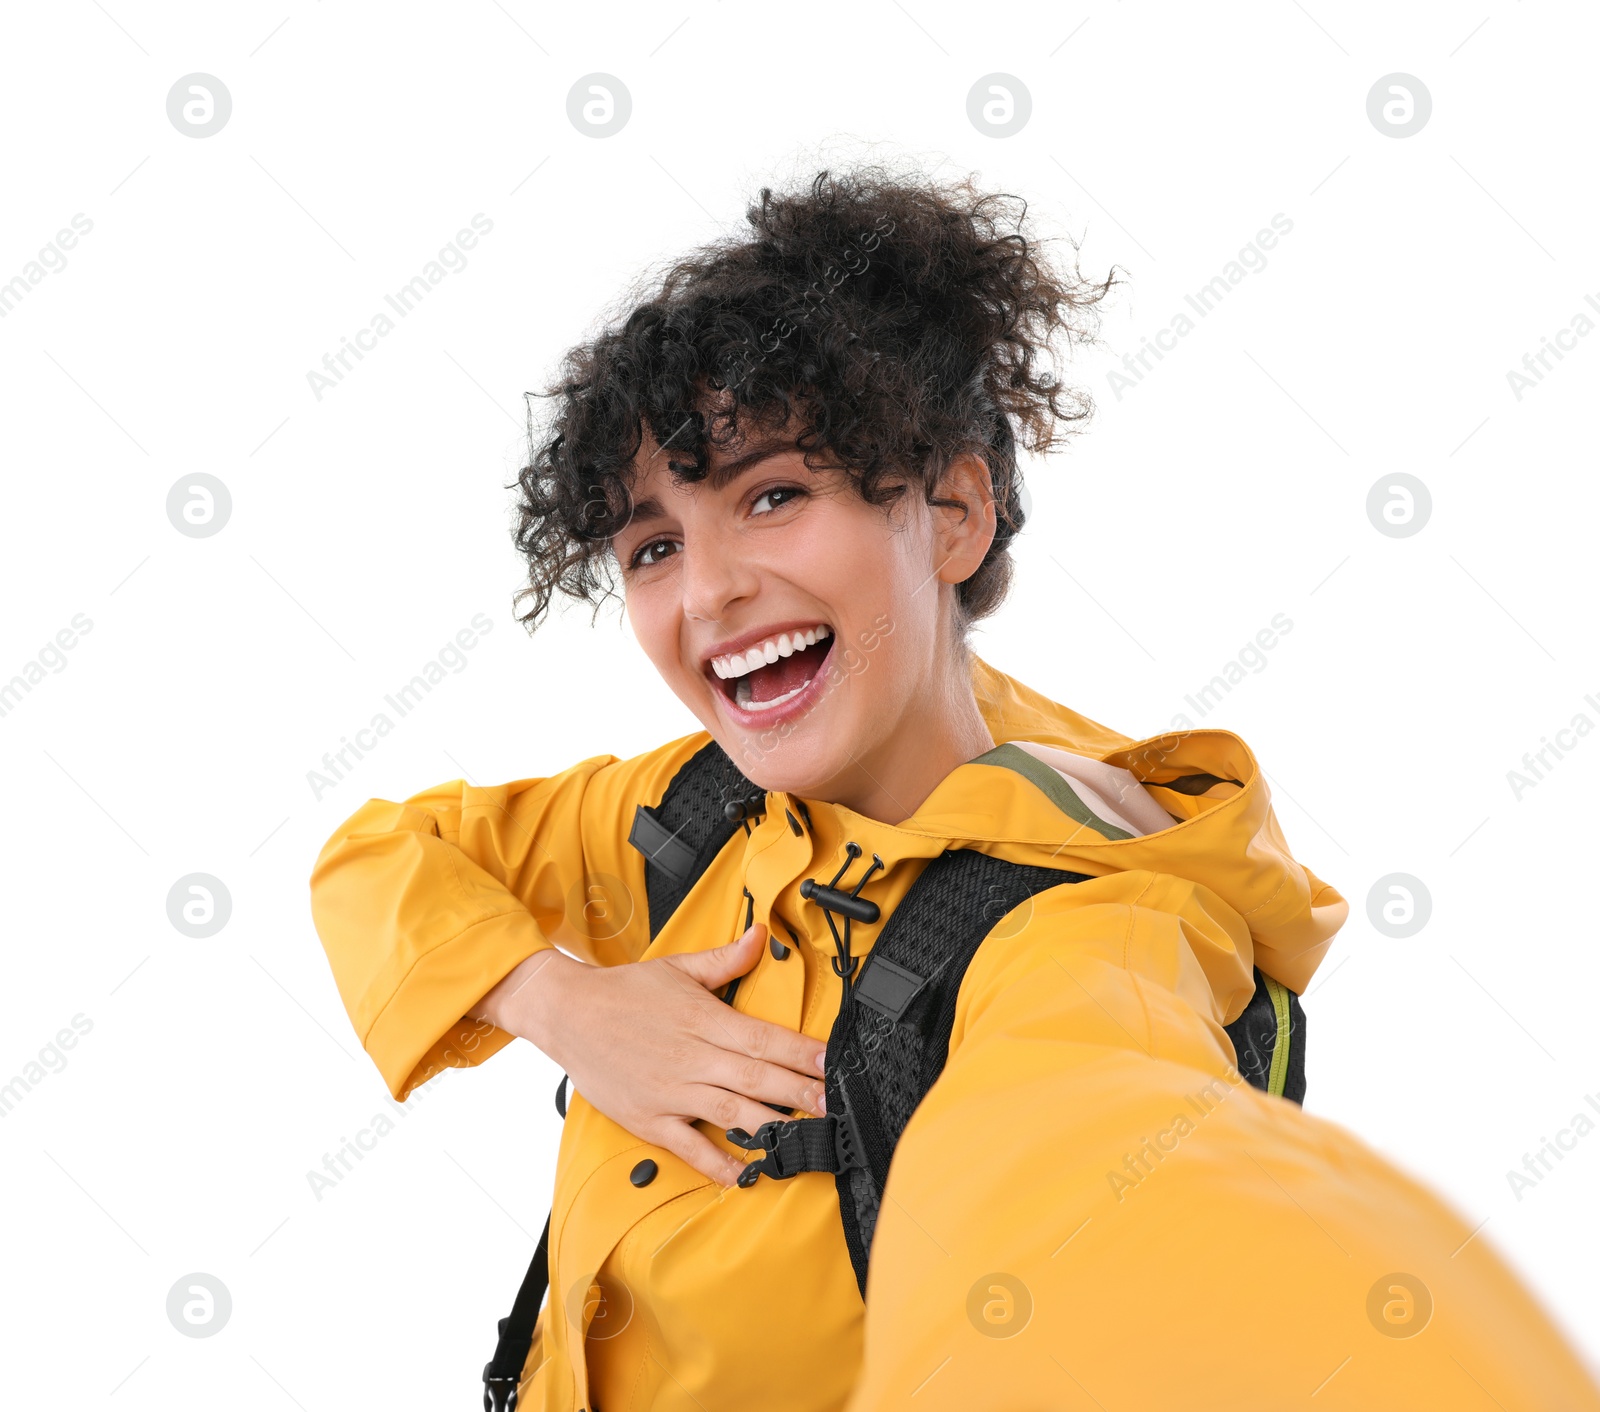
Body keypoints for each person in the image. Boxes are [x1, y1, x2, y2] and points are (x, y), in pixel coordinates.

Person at [308, 166, 1600, 1411]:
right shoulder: (689, 809)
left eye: (773, 495)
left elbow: (1117, 1166)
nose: (704, 594)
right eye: (654, 544)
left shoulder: (1086, 928)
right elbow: (382, 853)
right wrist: (559, 1002)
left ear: (954, 515)